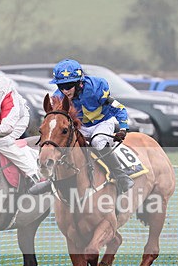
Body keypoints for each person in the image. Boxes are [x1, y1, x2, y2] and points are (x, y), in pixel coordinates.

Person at [29, 58, 133, 195]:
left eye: (69, 85)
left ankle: (121, 175)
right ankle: (51, 180)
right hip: (81, 126)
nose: (65, 90)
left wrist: (124, 128)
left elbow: (118, 108)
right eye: (61, 87)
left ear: (80, 83)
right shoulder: (58, 97)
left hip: (102, 123)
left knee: (97, 142)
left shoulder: (97, 88)